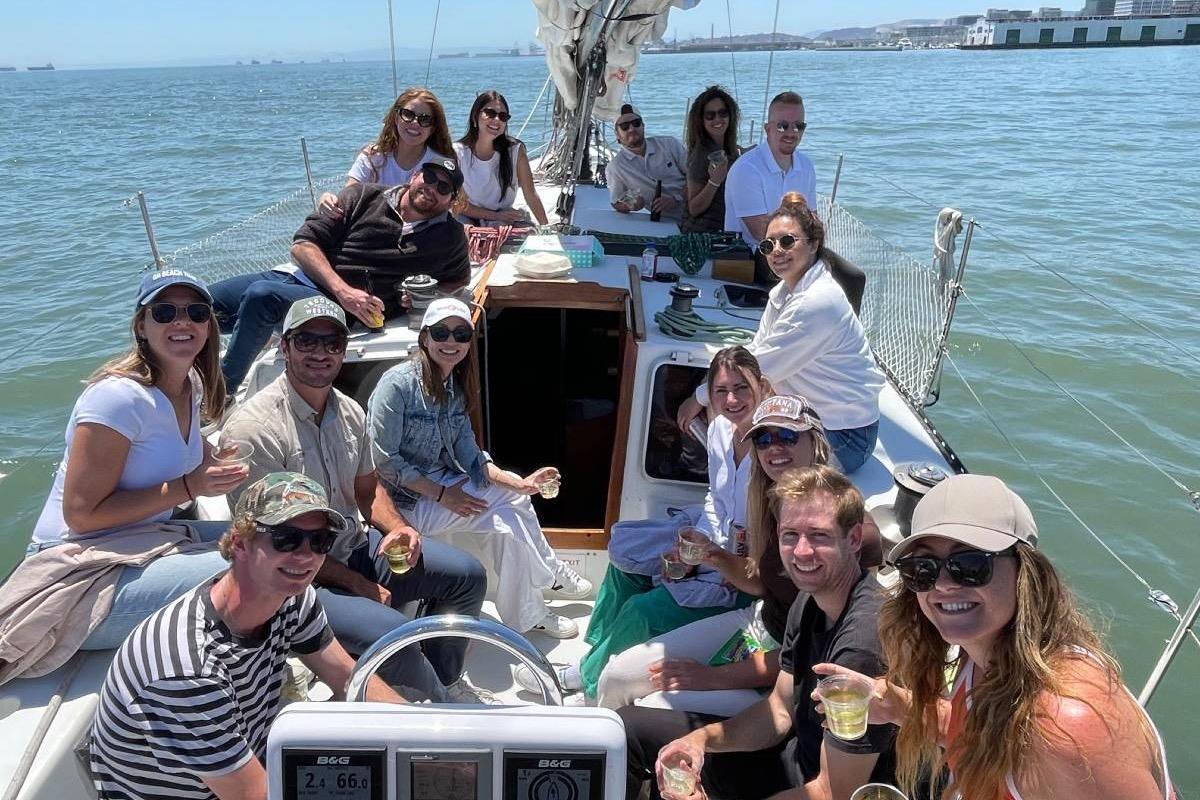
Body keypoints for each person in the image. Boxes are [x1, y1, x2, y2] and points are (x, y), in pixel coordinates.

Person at [818, 474, 1175, 800]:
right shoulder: (981, 654)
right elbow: (975, 731)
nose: (943, 585)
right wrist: (900, 707)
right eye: (922, 569)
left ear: (1026, 571)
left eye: (971, 566)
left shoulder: (1066, 726)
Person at [221, 295, 491, 703]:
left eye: (332, 343)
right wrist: (358, 584)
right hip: (292, 581)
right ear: (284, 346)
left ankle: (441, 683)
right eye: (307, 341)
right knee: (394, 636)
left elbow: (369, 491)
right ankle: (436, 712)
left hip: (351, 548)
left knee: (468, 576)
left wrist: (398, 528)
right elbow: (274, 547)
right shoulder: (253, 431)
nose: (320, 352)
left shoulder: (350, 412)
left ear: (344, 352)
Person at [90, 472, 405, 800]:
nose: (307, 555)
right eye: (286, 539)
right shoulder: (188, 671)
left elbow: (350, 680)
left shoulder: (292, 598)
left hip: (247, 761)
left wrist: (425, 732)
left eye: (320, 541)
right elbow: (255, 796)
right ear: (240, 543)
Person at [597, 394, 883, 716]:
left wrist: (711, 677)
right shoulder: (769, 499)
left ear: (815, 442)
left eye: (787, 436)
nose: (774, 447)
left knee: (652, 706)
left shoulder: (839, 513)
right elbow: (763, 584)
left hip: (789, 664)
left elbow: (809, 648)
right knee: (617, 678)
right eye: (763, 438)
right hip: (759, 622)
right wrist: (713, 556)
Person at [621, 466, 897, 800]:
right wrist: (699, 741)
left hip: (815, 786)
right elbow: (779, 711)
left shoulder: (861, 647)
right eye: (790, 535)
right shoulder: (811, 600)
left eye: (819, 535)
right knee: (630, 731)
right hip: (789, 758)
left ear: (853, 539)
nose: (801, 552)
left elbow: (833, 792)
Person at [28, 269, 247, 649]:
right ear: (141, 327)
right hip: (77, 569)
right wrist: (190, 486)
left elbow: (188, 449)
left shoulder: (188, 386)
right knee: (260, 568)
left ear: (209, 327)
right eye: (164, 312)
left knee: (268, 539)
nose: (182, 322)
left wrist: (225, 464)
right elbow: (81, 515)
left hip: (140, 542)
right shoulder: (118, 399)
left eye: (196, 312)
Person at [367, 298, 592, 638]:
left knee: (510, 516)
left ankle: (530, 608)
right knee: (508, 513)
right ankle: (549, 576)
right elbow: (385, 461)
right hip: (402, 503)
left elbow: (471, 455)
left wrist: (520, 484)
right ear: (424, 338)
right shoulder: (396, 384)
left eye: (461, 334)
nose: (450, 342)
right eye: (441, 332)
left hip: (435, 487)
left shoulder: (452, 390)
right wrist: (444, 495)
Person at [209, 157, 470, 394]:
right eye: (430, 178)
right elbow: (302, 245)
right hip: (300, 278)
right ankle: (181, 382)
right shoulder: (363, 196)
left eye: (444, 188)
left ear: (451, 200)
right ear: (414, 175)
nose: (433, 188)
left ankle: (221, 394)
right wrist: (343, 291)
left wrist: (424, 296)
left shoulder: (450, 235)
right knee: (199, 304)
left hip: (341, 311)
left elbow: (459, 279)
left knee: (262, 297)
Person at [677, 193, 884, 473]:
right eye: (768, 245)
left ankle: (736, 508)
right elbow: (755, 353)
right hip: (810, 415)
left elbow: (758, 370)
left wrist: (697, 398)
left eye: (787, 241)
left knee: (738, 437)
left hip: (844, 436)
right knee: (726, 412)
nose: (776, 250)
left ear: (813, 244)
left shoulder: (816, 302)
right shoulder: (784, 291)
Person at [317, 87, 457, 217]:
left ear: (433, 128)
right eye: (408, 114)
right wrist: (327, 199)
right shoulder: (372, 157)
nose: (415, 123)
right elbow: (349, 196)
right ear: (396, 118)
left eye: (425, 119)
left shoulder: (439, 165)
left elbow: (444, 212)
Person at [723, 90, 815, 248]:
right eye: (782, 126)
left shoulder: (806, 166)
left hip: (793, 253)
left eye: (798, 126)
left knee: (852, 273)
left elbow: (812, 219)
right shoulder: (746, 169)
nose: (791, 132)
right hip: (753, 258)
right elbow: (763, 233)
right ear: (768, 129)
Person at [453, 90, 550, 226]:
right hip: (468, 215)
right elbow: (458, 203)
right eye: (490, 113)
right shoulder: (457, 153)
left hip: (503, 215)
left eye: (503, 116)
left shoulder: (515, 150)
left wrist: (546, 228)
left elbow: (530, 194)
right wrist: (494, 216)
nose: (497, 120)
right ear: (475, 117)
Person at [607, 103, 687, 218]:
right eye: (624, 126)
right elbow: (616, 202)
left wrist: (676, 199)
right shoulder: (616, 167)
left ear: (643, 125)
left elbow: (696, 177)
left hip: (697, 210)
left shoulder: (669, 144)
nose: (631, 129)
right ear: (617, 133)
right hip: (666, 222)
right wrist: (632, 205)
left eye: (636, 123)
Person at [681, 86, 740, 234]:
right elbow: (694, 208)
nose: (717, 119)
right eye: (710, 115)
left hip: (723, 231)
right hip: (703, 236)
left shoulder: (729, 151)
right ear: (701, 120)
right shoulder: (702, 154)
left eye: (722, 113)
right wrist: (714, 181)